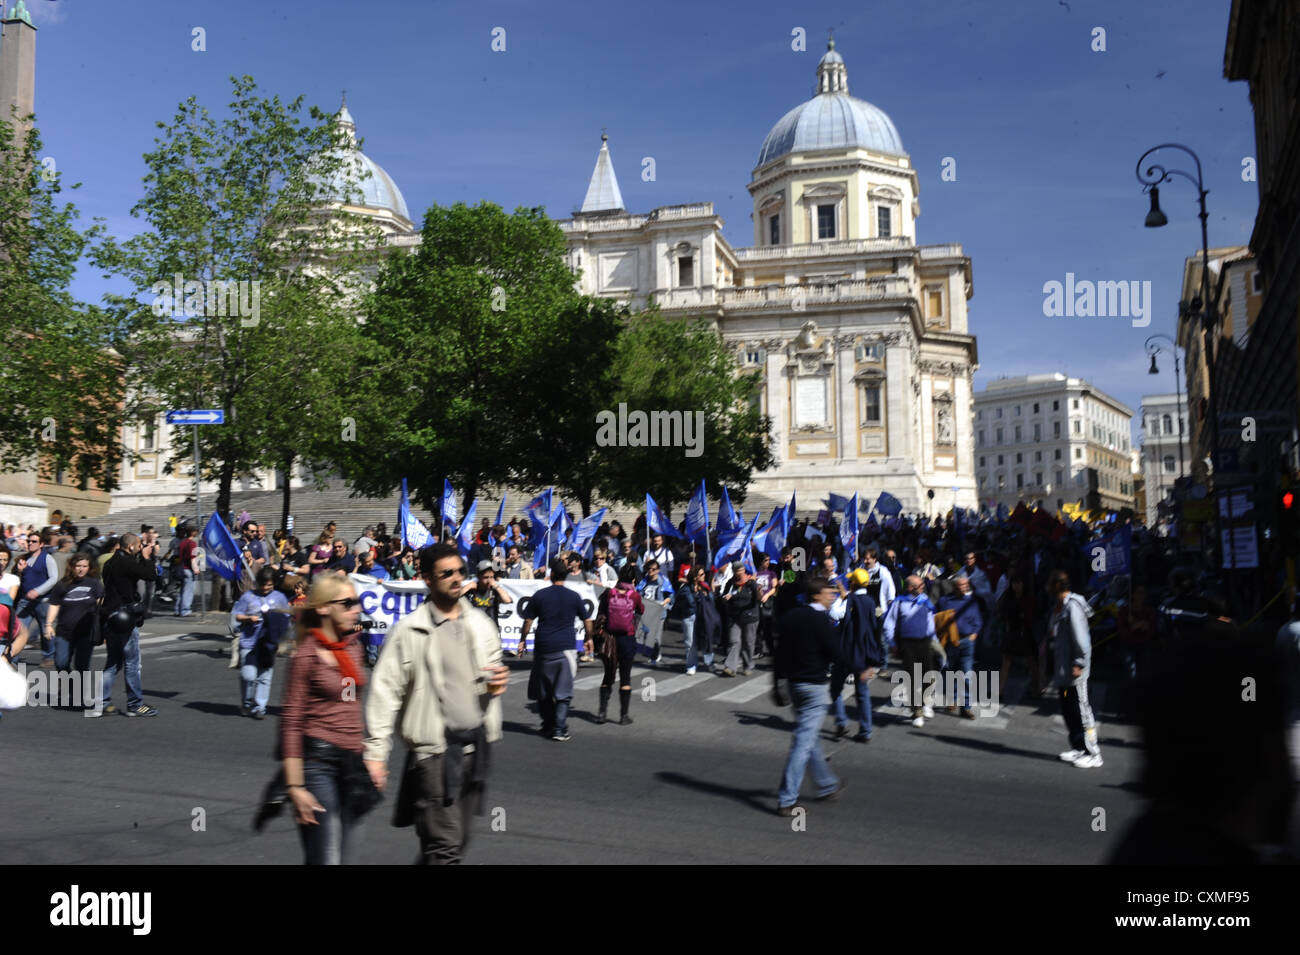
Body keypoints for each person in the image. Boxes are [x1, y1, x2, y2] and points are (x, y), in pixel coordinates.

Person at [364, 543, 509, 864]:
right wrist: (375, 753)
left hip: (476, 748)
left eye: (461, 571)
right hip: (433, 754)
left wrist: (495, 683)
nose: (457, 579)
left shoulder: (480, 624)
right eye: (447, 574)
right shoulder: (410, 630)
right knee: (444, 848)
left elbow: (491, 673)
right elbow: (385, 692)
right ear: (427, 579)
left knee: (456, 841)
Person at [281, 573, 373, 864]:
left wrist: (371, 756)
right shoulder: (307, 655)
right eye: (347, 603)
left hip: (352, 764)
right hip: (318, 765)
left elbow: (347, 704)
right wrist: (295, 786)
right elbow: (292, 721)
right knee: (328, 858)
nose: (355, 609)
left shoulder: (352, 649)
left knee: (345, 857)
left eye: (356, 602)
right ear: (323, 608)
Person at [774, 577, 869, 815]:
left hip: (794, 684)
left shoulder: (790, 616)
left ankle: (826, 785)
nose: (832, 597)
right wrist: (859, 670)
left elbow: (779, 653)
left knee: (811, 738)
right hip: (814, 687)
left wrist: (777, 682)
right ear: (816, 595)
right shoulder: (821, 621)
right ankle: (787, 799)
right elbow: (838, 653)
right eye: (829, 594)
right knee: (803, 743)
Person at [519, 557, 592, 742]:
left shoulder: (540, 595)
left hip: (544, 647)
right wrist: (589, 638)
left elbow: (528, 620)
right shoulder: (574, 596)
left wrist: (522, 639)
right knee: (563, 691)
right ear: (566, 575)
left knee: (543, 690)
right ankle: (559, 729)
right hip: (566, 648)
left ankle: (548, 724)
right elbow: (587, 620)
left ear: (551, 574)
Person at [94, 532, 161, 718]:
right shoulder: (127, 563)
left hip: (109, 617)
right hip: (124, 618)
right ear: (131, 546)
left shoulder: (110, 562)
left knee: (113, 663)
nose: (140, 548)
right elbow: (151, 575)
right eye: (139, 546)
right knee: (132, 663)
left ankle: (102, 702)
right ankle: (135, 704)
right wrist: (147, 557)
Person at [1048, 570, 1102, 769]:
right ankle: (1079, 747)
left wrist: (1078, 663)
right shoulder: (1059, 606)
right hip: (1063, 670)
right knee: (1068, 709)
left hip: (1074, 670)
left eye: (1050, 584)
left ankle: (1093, 753)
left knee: (1082, 710)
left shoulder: (1073, 607)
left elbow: (1082, 640)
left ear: (1057, 586)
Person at [828, 568, 882, 742]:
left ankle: (841, 721)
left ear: (853, 583)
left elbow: (834, 614)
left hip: (846, 652)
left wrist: (841, 598)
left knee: (836, 687)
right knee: (863, 693)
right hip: (864, 655)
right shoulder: (870, 602)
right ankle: (865, 731)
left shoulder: (849, 600)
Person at [232, 566, 291, 718]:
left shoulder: (279, 597)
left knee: (265, 676)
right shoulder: (248, 597)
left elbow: (286, 618)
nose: (265, 588)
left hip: (268, 643)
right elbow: (237, 615)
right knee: (248, 675)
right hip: (249, 642)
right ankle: (247, 702)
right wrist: (248, 618)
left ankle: (260, 707)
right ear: (257, 582)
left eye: (269, 585)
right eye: (263, 584)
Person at [43, 553, 103, 695]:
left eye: (84, 566)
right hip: (64, 632)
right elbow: (54, 604)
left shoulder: (94, 584)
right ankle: (70, 684)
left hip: (86, 632)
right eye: (78, 566)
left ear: (89, 568)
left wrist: (102, 628)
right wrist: (48, 625)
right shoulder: (63, 584)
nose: (81, 569)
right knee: (61, 663)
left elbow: (100, 607)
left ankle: (79, 694)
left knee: (81, 665)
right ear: (72, 567)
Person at [881, 575, 937, 727]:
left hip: (925, 642)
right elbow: (889, 624)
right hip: (908, 644)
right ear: (910, 588)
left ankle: (926, 702)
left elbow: (931, 620)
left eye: (922, 584)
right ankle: (916, 712)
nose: (923, 587)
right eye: (919, 585)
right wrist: (892, 643)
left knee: (929, 676)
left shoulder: (925, 600)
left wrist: (935, 640)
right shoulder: (899, 602)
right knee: (912, 678)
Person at [595, 564, 644, 724]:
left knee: (608, 676)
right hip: (627, 639)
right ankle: (623, 716)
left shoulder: (609, 593)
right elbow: (641, 610)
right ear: (634, 579)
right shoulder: (634, 596)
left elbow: (601, 610)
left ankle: (602, 713)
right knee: (625, 678)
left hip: (609, 638)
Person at [937, 575, 983, 719]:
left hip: (966, 642)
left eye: (965, 585)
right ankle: (952, 699)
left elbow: (978, 621)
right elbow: (936, 617)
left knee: (966, 675)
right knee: (950, 672)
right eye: (960, 585)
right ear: (954, 587)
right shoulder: (945, 601)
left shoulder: (972, 602)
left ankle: (966, 707)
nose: (963, 588)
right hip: (950, 642)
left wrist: (973, 635)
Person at [15, 528, 58, 667]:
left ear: (41, 544)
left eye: (34, 541)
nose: (30, 543)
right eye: (28, 541)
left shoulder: (47, 558)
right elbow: (21, 579)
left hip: (42, 601)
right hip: (25, 601)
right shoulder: (24, 558)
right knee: (17, 629)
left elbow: (53, 578)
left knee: (45, 631)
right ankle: (12, 656)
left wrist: (38, 591)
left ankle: (48, 656)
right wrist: (20, 571)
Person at [719, 561, 761, 677]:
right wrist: (725, 599)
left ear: (744, 570)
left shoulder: (751, 583)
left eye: (740, 570)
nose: (739, 573)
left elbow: (758, 598)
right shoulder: (731, 583)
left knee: (748, 642)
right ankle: (730, 667)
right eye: (736, 571)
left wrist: (758, 590)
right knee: (734, 641)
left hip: (750, 617)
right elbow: (724, 597)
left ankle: (748, 665)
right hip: (735, 618)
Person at [635, 558, 674, 666]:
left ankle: (654, 656)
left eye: (653, 569)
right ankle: (654, 652)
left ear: (658, 570)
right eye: (649, 569)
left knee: (656, 636)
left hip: (659, 612)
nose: (651, 571)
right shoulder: (644, 581)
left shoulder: (663, 581)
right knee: (647, 634)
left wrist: (663, 603)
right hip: (647, 612)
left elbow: (671, 596)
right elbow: (638, 593)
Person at [467, 560, 513, 630]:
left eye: (491, 577)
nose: (489, 581)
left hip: (492, 629)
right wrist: (467, 587)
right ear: (478, 576)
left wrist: (496, 586)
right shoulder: (471, 589)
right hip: (475, 629)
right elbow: (454, 599)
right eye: (485, 577)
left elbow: (507, 600)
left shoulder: (494, 589)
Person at [175, 525, 198, 618]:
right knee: (188, 591)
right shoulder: (192, 543)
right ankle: (185, 610)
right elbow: (193, 558)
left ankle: (178, 609)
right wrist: (196, 569)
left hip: (182, 568)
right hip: (189, 569)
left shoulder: (183, 542)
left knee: (182, 591)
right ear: (193, 532)